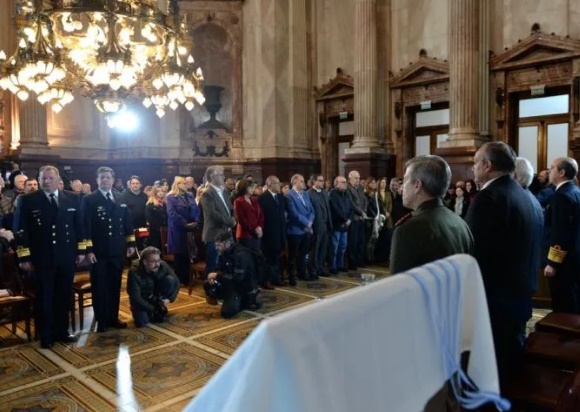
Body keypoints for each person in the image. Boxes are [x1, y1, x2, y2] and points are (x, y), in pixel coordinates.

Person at [465, 141, 539, 388]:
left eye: (475, 163)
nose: (473, 169)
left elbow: (475, 252)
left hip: (496, 299)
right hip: (519, 293)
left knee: (494, 370)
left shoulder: (489, 197)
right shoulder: (524, 194)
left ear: (487, 166)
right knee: (511, 360)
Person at [13, 165, 85, 348]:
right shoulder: (27, 200)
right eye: (43, 178)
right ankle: (46, 335)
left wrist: (81, 251)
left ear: (58, 179)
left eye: (50, 178)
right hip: (41, 258)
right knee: (44, 298)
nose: (46, 181)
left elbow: (79, 226)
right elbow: (21, 231)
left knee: (64, 296)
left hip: (66, 256)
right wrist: (24, 257)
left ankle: (62, 331)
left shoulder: (72, 198)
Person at [390, 156, 473, 275]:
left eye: (405, 180)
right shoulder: (461, 224)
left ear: (417, 185)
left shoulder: (408, 231)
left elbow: (401, 288)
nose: (402, 187)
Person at [81, 166, 136, 333]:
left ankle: (113, 317)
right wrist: (88, 250)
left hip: (117, 250)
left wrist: (131, 243)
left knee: (115, 285)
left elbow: (128, 223)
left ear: (113, 180)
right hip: (98, 252)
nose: (105, 180)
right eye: (101, 178)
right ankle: (101, 320)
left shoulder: (120, 197)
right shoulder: (89, 199)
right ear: (97, 180)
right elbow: (85, 226)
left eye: (107, 177)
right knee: (100, 287)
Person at [544, 157, 580, 313]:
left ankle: (565, 336)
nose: (548, 171)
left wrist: (553, 263)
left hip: (564, 262)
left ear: (561, 173)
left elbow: (560, 232)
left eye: (552, 168)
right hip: (574, 256)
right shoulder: (575, 191)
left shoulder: (561, 196)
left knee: (564, 305)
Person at [204, 232, 262, 318]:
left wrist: (217, 276)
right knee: (207, 284)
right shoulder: (224, 253)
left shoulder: (241, 254)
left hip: (243, 287)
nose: (216, 248)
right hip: (231, 283)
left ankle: (247, 301)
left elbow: (238, 278)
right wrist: (215, 277)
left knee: (227, 313)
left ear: (227, 244)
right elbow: (221, 269)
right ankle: (231, 299)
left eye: (218, 245)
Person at [513, 157, 544, 296]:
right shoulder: (532, 198)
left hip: (515, 280)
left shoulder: (516, 201)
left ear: (513, 175)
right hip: (528, 275)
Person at [127, 246, 180, 327]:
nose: (157, 264)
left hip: (156, 295)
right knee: (142, 323)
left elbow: (177, 282)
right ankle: (150, 311)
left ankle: (158, 306)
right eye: (153, 261)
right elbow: (136, 297)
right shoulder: (134, 272)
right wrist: (154, 309)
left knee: (170, 280)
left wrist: (169, 299)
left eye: (158, 260)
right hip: (142, 300)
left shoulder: (163, 265)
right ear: (144, 262)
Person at [201, 166, 236, 275]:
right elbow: (213, 214)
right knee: (213, 266)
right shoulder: (207, 193)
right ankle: (211, 290)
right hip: (214, 235)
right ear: (212, 176)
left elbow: (230, 209)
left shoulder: (224, 191)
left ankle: (225, 288)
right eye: (221, 175)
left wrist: (234, 218)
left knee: (227, 263)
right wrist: (230, 221)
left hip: (227, 233)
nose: (223, 177)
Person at [166, 176, 199, 285]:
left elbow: (195, 209)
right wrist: (185, 224)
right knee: (179, 254)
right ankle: (179, 279)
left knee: (188, 253)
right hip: (178, 229)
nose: (186, 185)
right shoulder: (171, 197)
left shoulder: (190, 196)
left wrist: (195, 221)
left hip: (191, 228)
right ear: (178, 184)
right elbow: (172, 213)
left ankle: (187, 278)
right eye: (184, 183)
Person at [285, 174, 315, 284]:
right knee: (293, 255)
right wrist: (307, 222)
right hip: (295, 230)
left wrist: (310, 222)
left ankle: (303, 273)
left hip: (306, 230)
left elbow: (312, 210)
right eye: (301, 181)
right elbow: (294, 213)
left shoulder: (305, 194)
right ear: (295, 183)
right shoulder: (289, 195)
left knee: (303, 254)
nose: (304, 183)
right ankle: (292, 276)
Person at [258, 175, 287, 286]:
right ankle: (266, 280)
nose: (279, 185)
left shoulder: (281, 197)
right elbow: (261, 217)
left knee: (277, 257)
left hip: (280, 233)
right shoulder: (263, 198)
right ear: (270, 185)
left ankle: (276, 278)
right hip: (268, 233)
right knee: (268, 258)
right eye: (277, 183)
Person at [307, 174, 333, 278]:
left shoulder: (325, 193)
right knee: (314, 250)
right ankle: (313, 270)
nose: (322, 182)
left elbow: (328, 209)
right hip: (316, 225)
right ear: (314, 182)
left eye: (323, 180)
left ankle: (321, 268)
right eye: (320, 181)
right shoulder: (308, 194)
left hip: (326, 225)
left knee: (323, 249)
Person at [328, 175, 353, 275]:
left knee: (343, 246)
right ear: (336, 183)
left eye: (345, 182)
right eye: (342, 182)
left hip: (345, 225)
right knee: (334, 246)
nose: (345, 184)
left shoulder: (347, 193)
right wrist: (345, 219)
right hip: (337, 224)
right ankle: (332, 266)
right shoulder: (333, 193)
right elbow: (335, 209)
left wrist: (349, 219)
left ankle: (340, 265)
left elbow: (351, 208)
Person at [233, 179, 264, 251]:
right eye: (250, 187)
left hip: (257, 234)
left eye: (252, 187)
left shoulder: (255, 199)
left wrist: (260, 228)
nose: (252, 189)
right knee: (248, 259)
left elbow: (261, 215)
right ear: (244, 188)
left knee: (257, 257)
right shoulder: (238, 201)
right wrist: (254, 230)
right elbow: (241, 220)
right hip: (245, 235)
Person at [346, 170, 368, 271]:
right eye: (355, 178)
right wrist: (361, 213)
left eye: (358, 178)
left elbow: (365, 201)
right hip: (354, 219)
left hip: (361, 219)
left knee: (361, 241)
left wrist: (364, 212)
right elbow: (351, 204)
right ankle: (352, 263)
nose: (358, 180)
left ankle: (360, 261)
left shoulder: (360, 188)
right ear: (350, 178)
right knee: (353, 242)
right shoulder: (347, 188)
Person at [145, 186, 167, 251]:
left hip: (166, 230)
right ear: (154, 193)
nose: (160, 193)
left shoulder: (166, 203)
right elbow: (149, 218)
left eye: (161, 191)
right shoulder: (150, 204)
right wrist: (159, 227)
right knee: (158, 249)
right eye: (158, 191)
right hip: (156, 231)